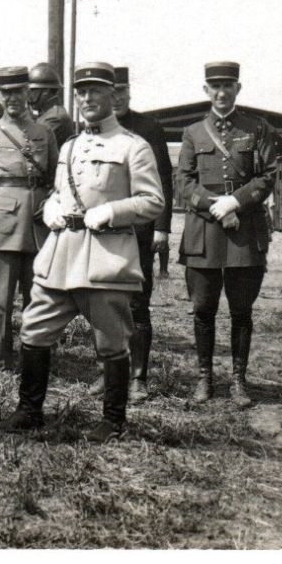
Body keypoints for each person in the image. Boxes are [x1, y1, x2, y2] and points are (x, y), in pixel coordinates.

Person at [4, 62, 164, 441]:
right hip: (62, 255)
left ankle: (113, 421)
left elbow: (153, 201)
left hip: (105, 257)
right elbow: (61, 190)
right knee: (34, 328)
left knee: (111, 341)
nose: (88, 98)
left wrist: (111, 211)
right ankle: (29, 410)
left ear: (113, 94)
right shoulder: (72, 145)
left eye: (96, 90)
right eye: (81, 92)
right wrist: (54, 207)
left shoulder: (132, 146)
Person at [175, 61, 280, 408]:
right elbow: (184, 181)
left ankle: (238, 381)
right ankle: (205, 378)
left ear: (238, 88)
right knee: (203, 308)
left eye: (228, 86)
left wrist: (235, 201)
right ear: (206, 91)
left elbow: (267, 176)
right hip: (204, 231)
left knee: (241, 310)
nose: (221, 93)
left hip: (244, 230)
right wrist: (212, 205)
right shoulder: (193, 132)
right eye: (214, 87)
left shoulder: (257, 128)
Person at [0, 65, 57, 373]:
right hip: (1, 225)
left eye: (19, 92)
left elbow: (54, 177)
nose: (13, 99)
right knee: (0, 302)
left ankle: (34, 360)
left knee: (37, 298)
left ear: (28, 93)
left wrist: (48, 201)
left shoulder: (44, 133)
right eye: (6, 93)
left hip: (36, 225)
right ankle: (0, 363)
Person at [111, 65, 175, 401]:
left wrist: (162, 228)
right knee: (103, 301)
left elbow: (165, 180)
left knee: (137, 303)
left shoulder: (149, 128)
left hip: (138, 229)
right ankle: (108, 372)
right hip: (104, 231)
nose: (117, 97)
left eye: (122, 90)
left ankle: (138, 378)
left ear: (130, 92)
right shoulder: (95, 129)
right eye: (111, 91)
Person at [27, 63, 76, 147]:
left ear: (45, 91)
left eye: (32, 91)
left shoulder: (54, 117)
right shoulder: (47, 114)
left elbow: (31, 146)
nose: (28, 96)